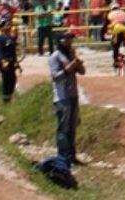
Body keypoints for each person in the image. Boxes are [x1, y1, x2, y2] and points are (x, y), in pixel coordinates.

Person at [48, 30, 85, 165]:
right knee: (63, 128)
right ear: (60, 41)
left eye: (71, 39)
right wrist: (70, 67)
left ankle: (71, 156)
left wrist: (77, 63)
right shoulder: (55, 57)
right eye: (66, 39)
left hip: (73, 95)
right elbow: (55, 77)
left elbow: (82, 72)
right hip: (62, 97)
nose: (69, 41)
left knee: (72, 128)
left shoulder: (70, 55)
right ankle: (63, 157)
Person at [0, 16, 20, 103]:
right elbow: (0, 52)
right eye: (7, 25)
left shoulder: (10, 37)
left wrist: (17, 63)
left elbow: (13, 51)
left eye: (10, 25)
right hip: (5, 62)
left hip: (11, 61)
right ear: (3, 27)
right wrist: (3, 62)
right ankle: (5, 99)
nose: (9, 26)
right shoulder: (1, 38)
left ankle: (10, 97)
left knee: (13, 79)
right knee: (6, 80)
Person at [106, 3, 125, 72]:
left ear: (111, 9)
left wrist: (102, 36)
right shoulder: (124, 13)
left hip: (117, 30)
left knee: (115, 46)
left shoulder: (110, 14)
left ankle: (116, 61)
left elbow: (105, 26)